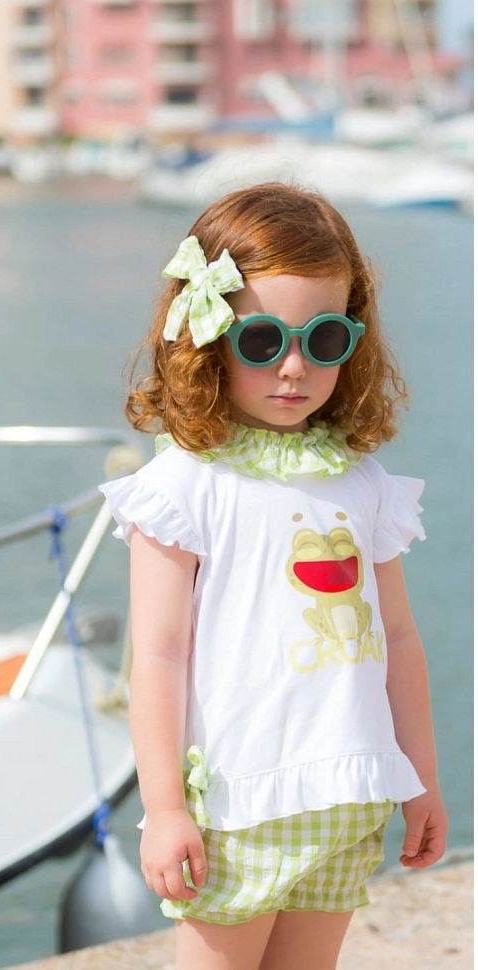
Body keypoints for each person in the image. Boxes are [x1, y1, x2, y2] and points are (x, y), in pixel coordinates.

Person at [99, 183, 448, 970]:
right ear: (208, 336)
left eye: (323, 340)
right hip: (237, 805)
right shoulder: (187, 484)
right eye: (262, 342)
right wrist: (161, 808)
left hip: (346, 797)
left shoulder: (362, 482)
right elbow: (156, 656)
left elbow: (396, 638)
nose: (294, 367)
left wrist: (419, 780)